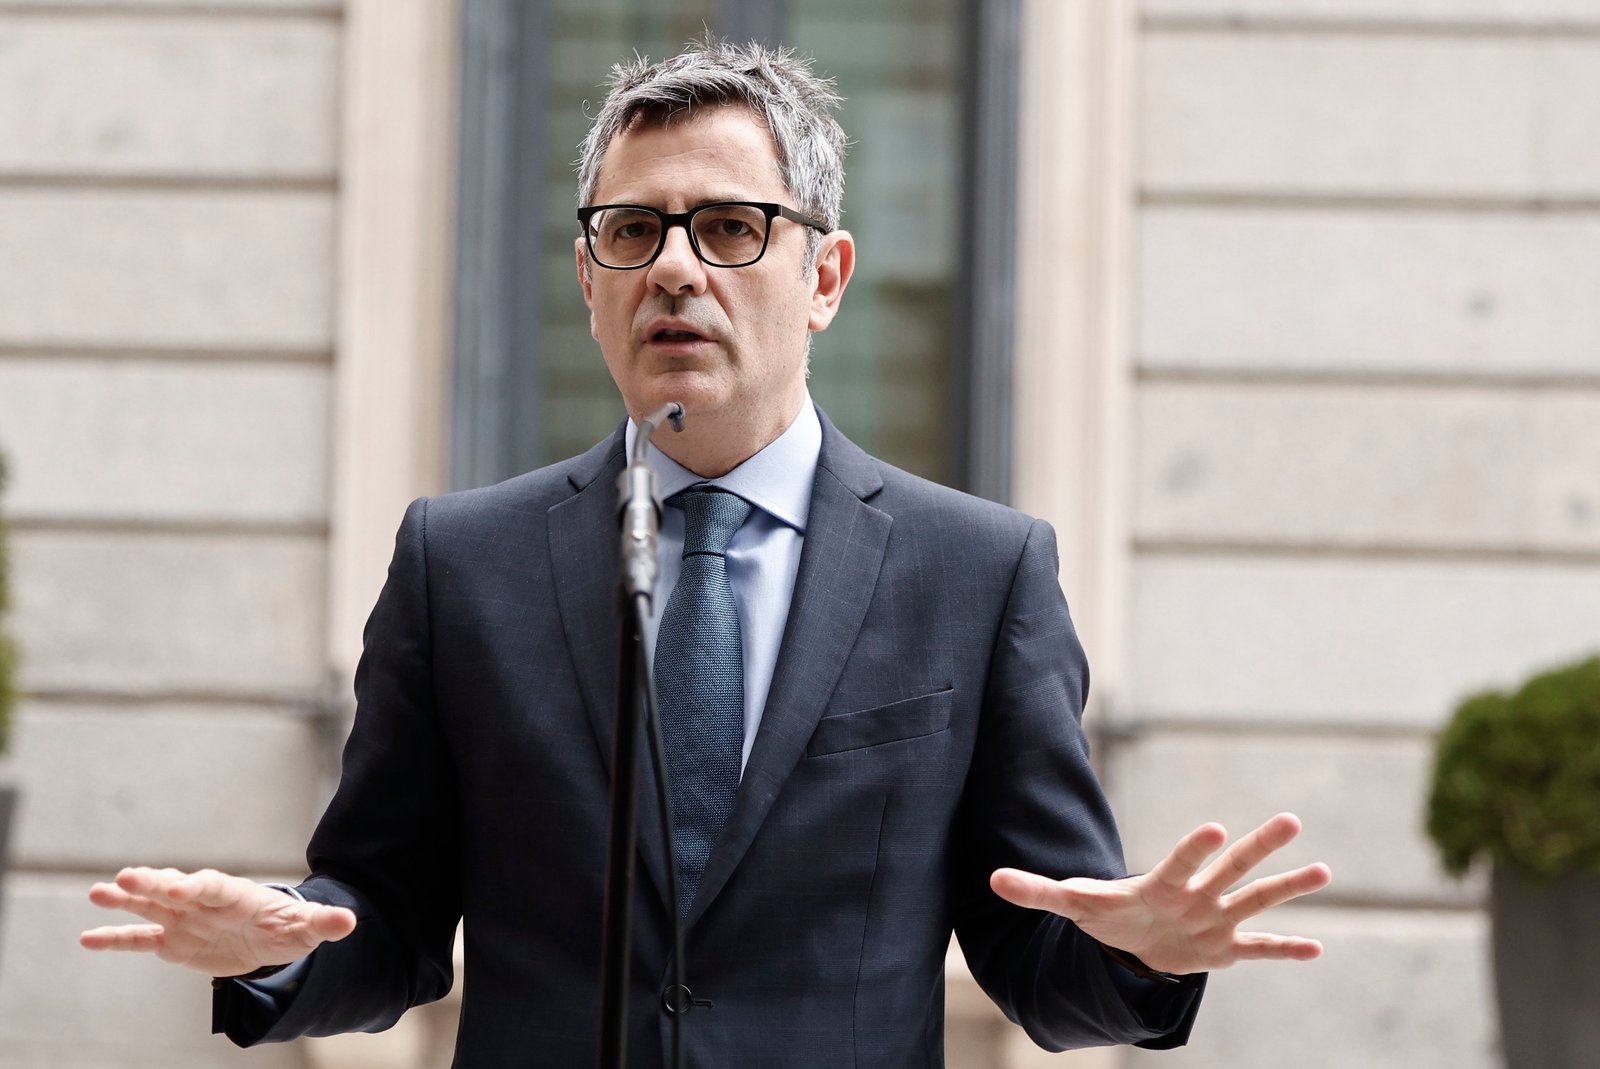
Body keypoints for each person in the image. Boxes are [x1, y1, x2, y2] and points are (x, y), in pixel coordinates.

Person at [81, 37, 1331, 1066]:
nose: (675, 267)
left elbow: (1038, 955)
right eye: (632, 230)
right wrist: (280, 944)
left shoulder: (977, 573)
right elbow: (389, 920)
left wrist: (1141, 954)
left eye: (731, 226)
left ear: (826, 276)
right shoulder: (458, 565)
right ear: (588, 280)